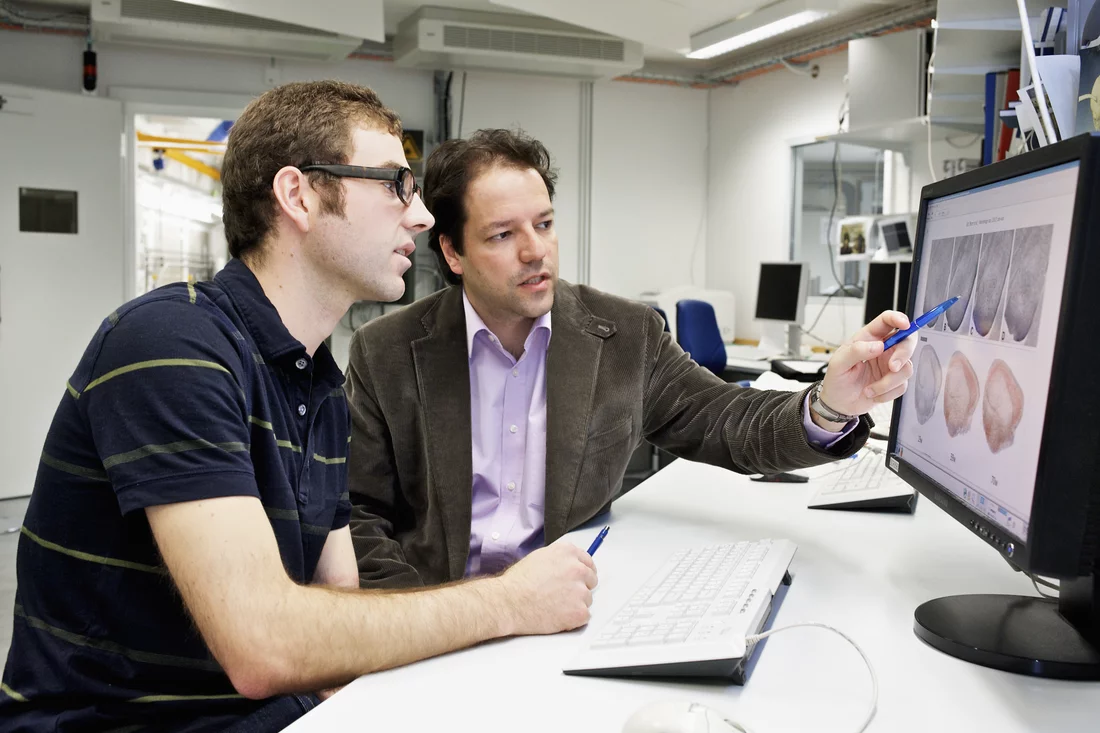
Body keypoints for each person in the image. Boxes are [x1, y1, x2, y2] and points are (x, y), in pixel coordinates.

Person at [0, 85, 596, 733]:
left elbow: (338, 625)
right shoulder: (171, 343)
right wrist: (506, 601)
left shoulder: (319, 385)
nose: (422, 216)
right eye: (397, 183)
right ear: (299, 196)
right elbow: (265, 644)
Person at [344, 128, 916, 588]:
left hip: (567, 612)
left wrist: (829, 405)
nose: (535, 250)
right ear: (452, 250)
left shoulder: (625, 335)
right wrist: (421, 623)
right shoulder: (386, 352)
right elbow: (357, 516)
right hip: (439, 619)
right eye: (501, 235)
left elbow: (728, 423)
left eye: (544, 225)